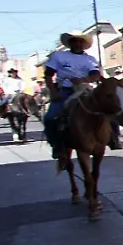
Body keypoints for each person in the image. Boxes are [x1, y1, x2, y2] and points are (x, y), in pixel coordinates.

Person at [42, 31, 102, 159]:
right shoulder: (58, 56)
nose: (77, 43)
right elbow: (48, 75)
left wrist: (83, 80)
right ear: (70, 43)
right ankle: (56, 145)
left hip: (85, 89)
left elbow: (95, 75)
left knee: (108, 110)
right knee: (50, 118)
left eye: (80, 41)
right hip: (64, 89)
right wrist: (53, 92)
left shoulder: (90, 59)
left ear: (84, 43)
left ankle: (112, 138)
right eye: (74, 41)